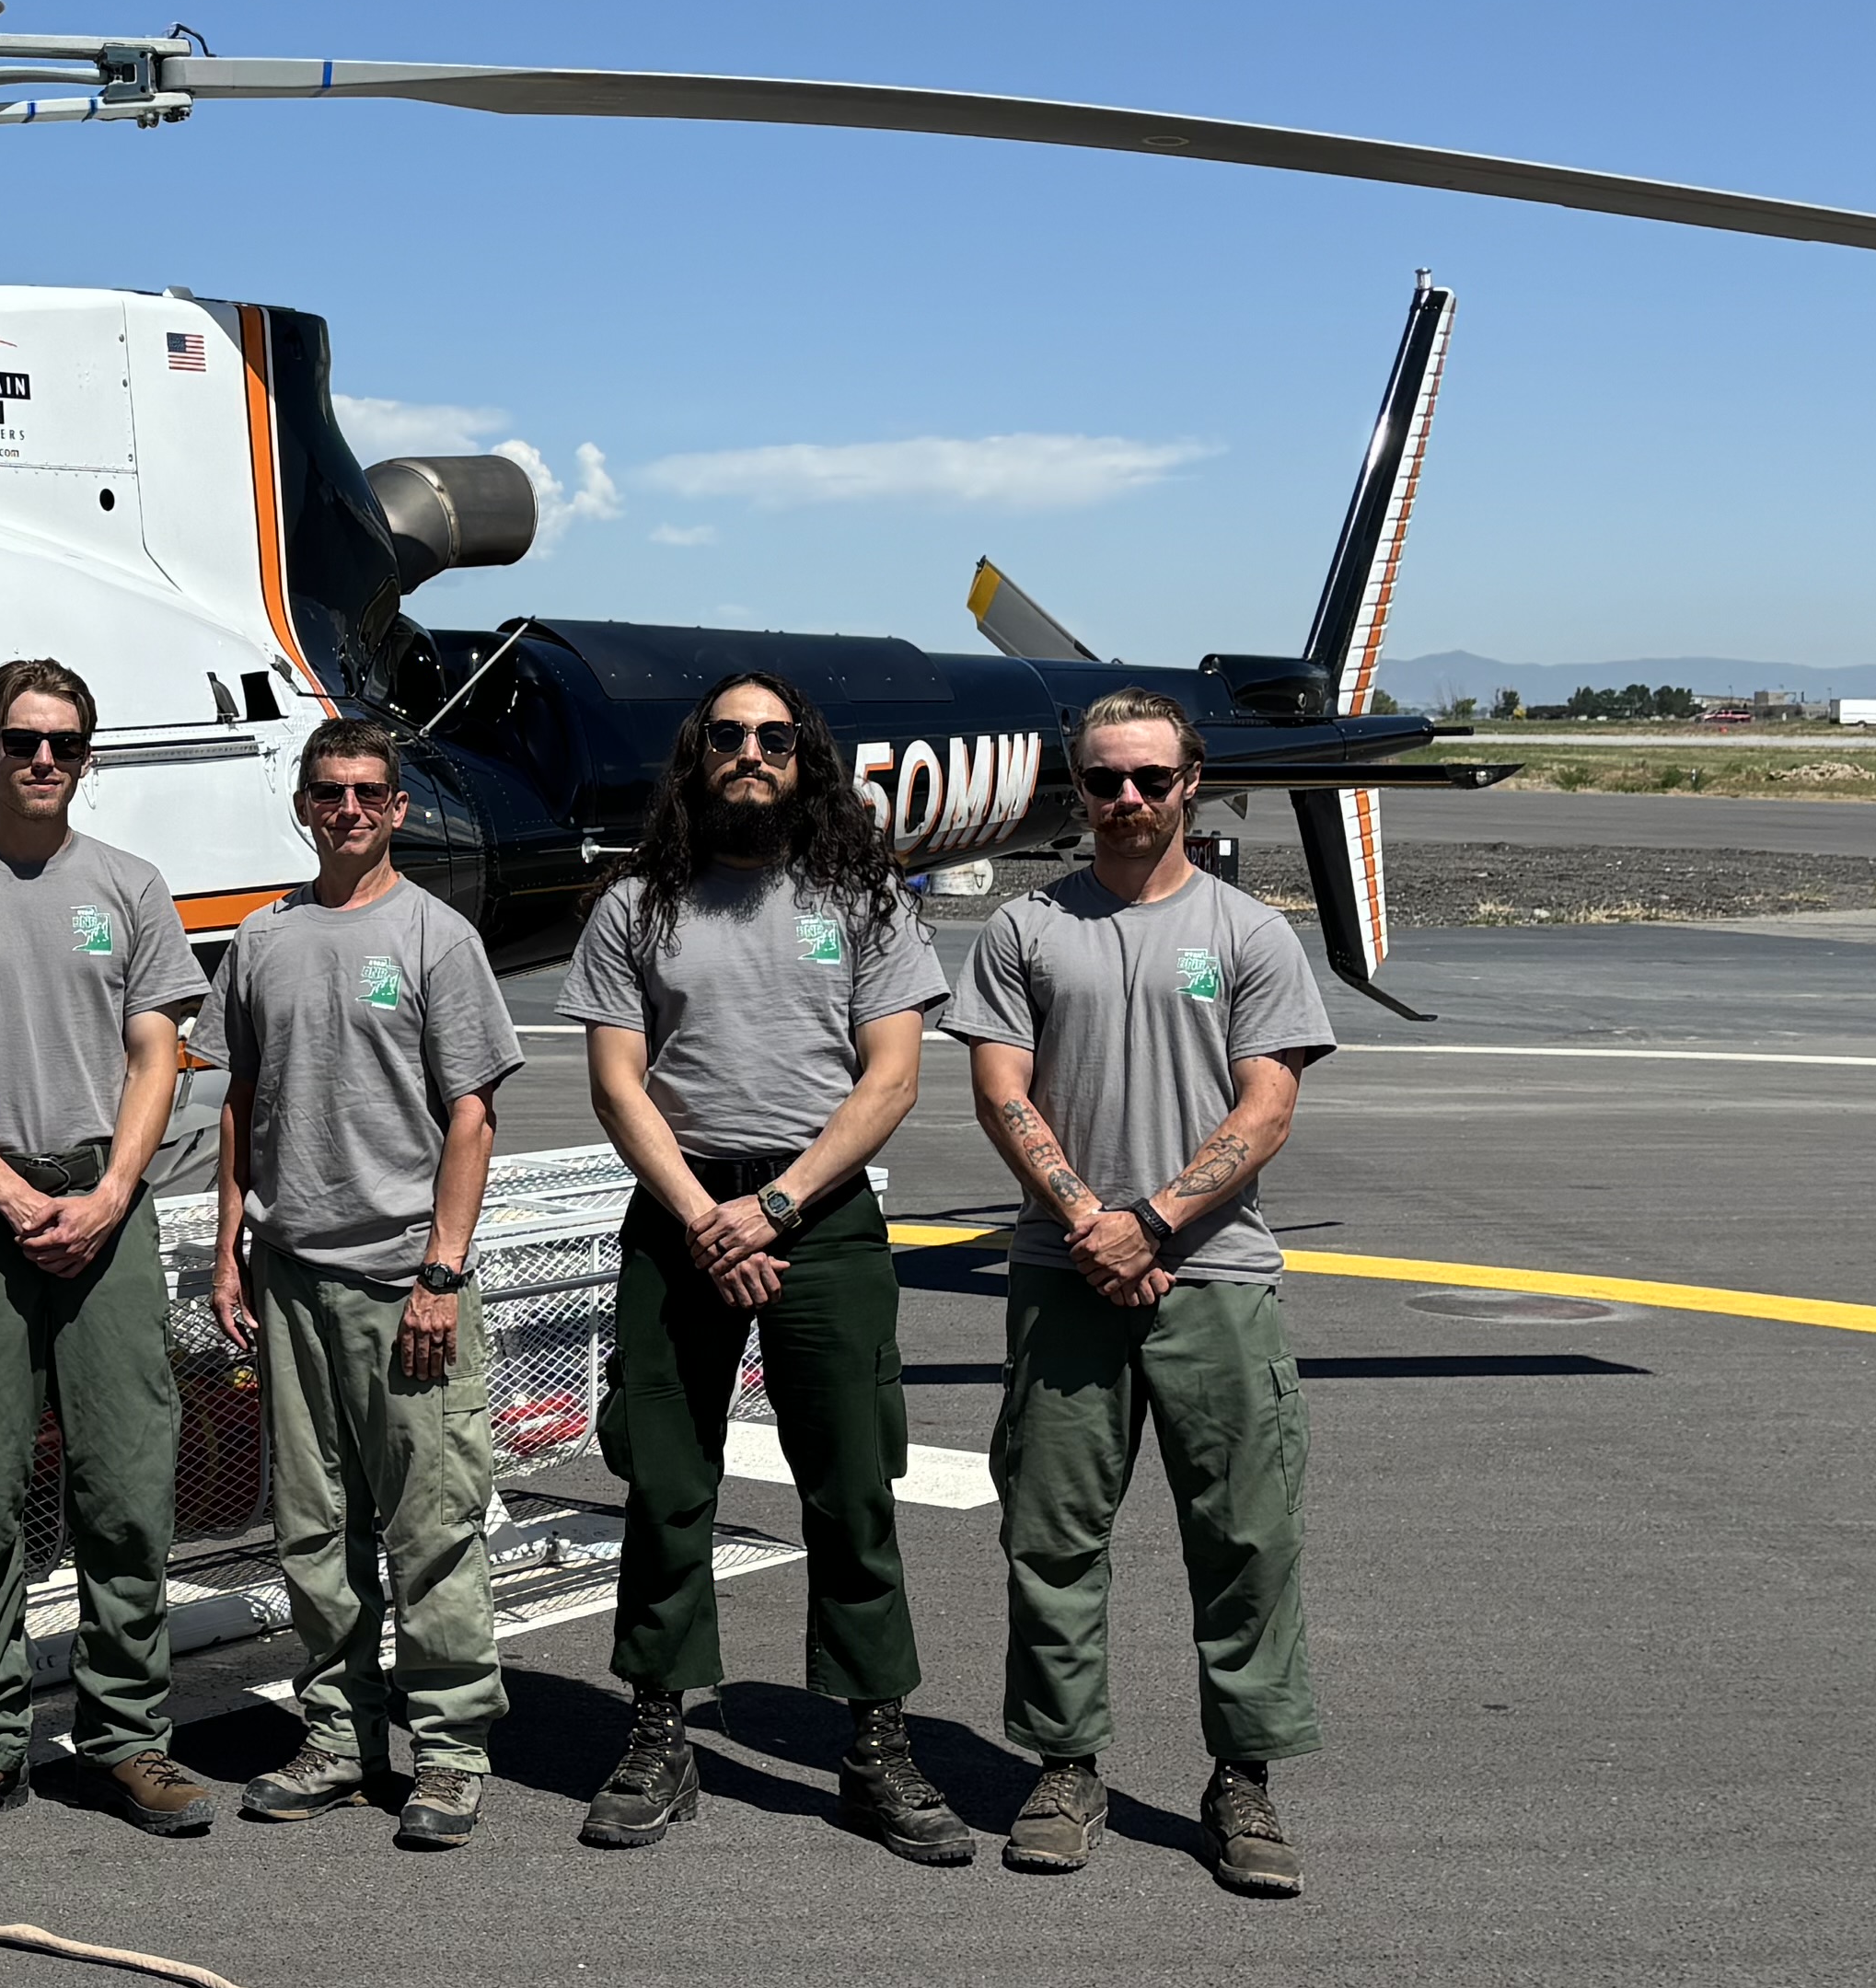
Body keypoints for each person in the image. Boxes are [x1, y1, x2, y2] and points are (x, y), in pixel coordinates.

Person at [939, 686, 1337, 1898]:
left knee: (1246, 1539)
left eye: (1148, 779)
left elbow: (1266, 1106)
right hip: (1065, 1275)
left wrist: (1155, 1220)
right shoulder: (1024, 930)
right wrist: (1086, 1222)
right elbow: (1003, 1087)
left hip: (1214, 1276)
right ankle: (1066, 1766)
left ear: (1190, 783)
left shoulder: (1251, 934)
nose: (1124, 800)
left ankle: (1245, 1777)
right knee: (1052, 1534)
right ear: (1080, 787)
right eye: (1103, 779)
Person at [564, 672, 969, 1861]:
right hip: (681, 1207)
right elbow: (615, 1082)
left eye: (774, 738)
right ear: (698, 756)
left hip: (821, 1216)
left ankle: (877, 1745)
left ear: (805, 759)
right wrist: (704, 1214)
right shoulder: (635, 906)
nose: (751, 754)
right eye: (730, 737)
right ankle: (658, 1733)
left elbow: (890, 1078)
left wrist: (778, 1205)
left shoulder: (865, 901)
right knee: (666, 1481)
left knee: (851, 1488)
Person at [0, 656, 217, 1838]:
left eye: (65, 744)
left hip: (107, 1207)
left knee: (125, 1482)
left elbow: (157, 1053)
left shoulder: (130, 886)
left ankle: (127, 1738)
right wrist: (10, 1194)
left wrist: (116, 1189)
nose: (44, 762)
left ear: (88, 756)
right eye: (22, 741)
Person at [210, 712, 522, 1848]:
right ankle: (340, 1732)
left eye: (368, 793)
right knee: (314, 1523)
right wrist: (226, 1246)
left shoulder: (437, 938)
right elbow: (242, 1101)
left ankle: (449, 1749)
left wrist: (443, 1269)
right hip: (290, 1273)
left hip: (405, 1278)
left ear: (397, 809)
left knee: (431, 1521)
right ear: (304, 805)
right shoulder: (263, 939)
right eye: (328, 792)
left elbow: (473, 1115)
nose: (348, 809)